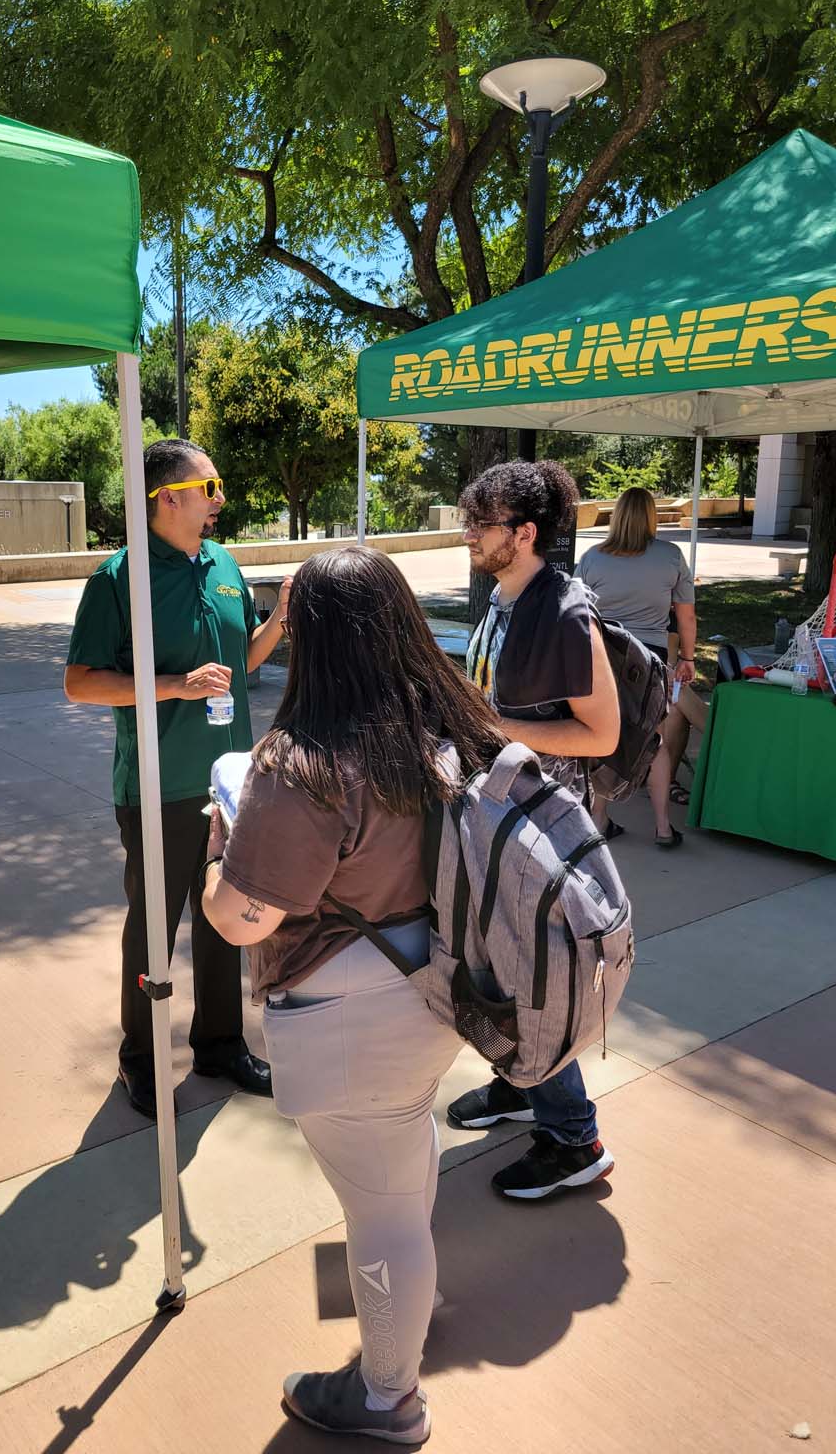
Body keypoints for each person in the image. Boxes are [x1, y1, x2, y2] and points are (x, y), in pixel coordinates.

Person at [202, 546, 506, 1446]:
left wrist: (222, 843)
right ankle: (408, 1314)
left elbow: (241, 921)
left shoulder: (304, 764)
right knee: (402, 1174)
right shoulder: (441, 724)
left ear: (311, 635)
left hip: (345, 1014)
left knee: (377, 1212)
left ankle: (387, 1397)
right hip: (432, 988)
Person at [64, 438, 289, 1120]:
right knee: (153, 929)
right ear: (168, 497)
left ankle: (220, 1043)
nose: (221, 498)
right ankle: (139, 1059)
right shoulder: (117, 578)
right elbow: (79, 683)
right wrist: (172, 687)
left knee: (224, 918)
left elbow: (243, 660)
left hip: (230, 780)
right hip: (158, 787)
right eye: (209, 485)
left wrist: (281, 619)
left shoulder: (224, 563)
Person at [445, 459, 621, 1201]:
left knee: (531, 974)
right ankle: (521, 1085)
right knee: (497, 967)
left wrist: (486, 723)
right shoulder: (505, 597)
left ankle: (573, 1136)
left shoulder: (564, 612)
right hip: (502, 817)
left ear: (522, 533)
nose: (469, 537)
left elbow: (602, 735)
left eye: (480, 526)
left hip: (540, 830)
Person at [575, 486, 705, 846]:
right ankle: (663, 826)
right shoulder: (671, 556)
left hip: (604, 658)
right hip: (651, 660)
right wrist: (688, 659)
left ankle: (599, 817)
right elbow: (687, 617)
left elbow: (575, 613)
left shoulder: (592, 558)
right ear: (651, 516)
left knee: (606, 739)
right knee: (657, 741)